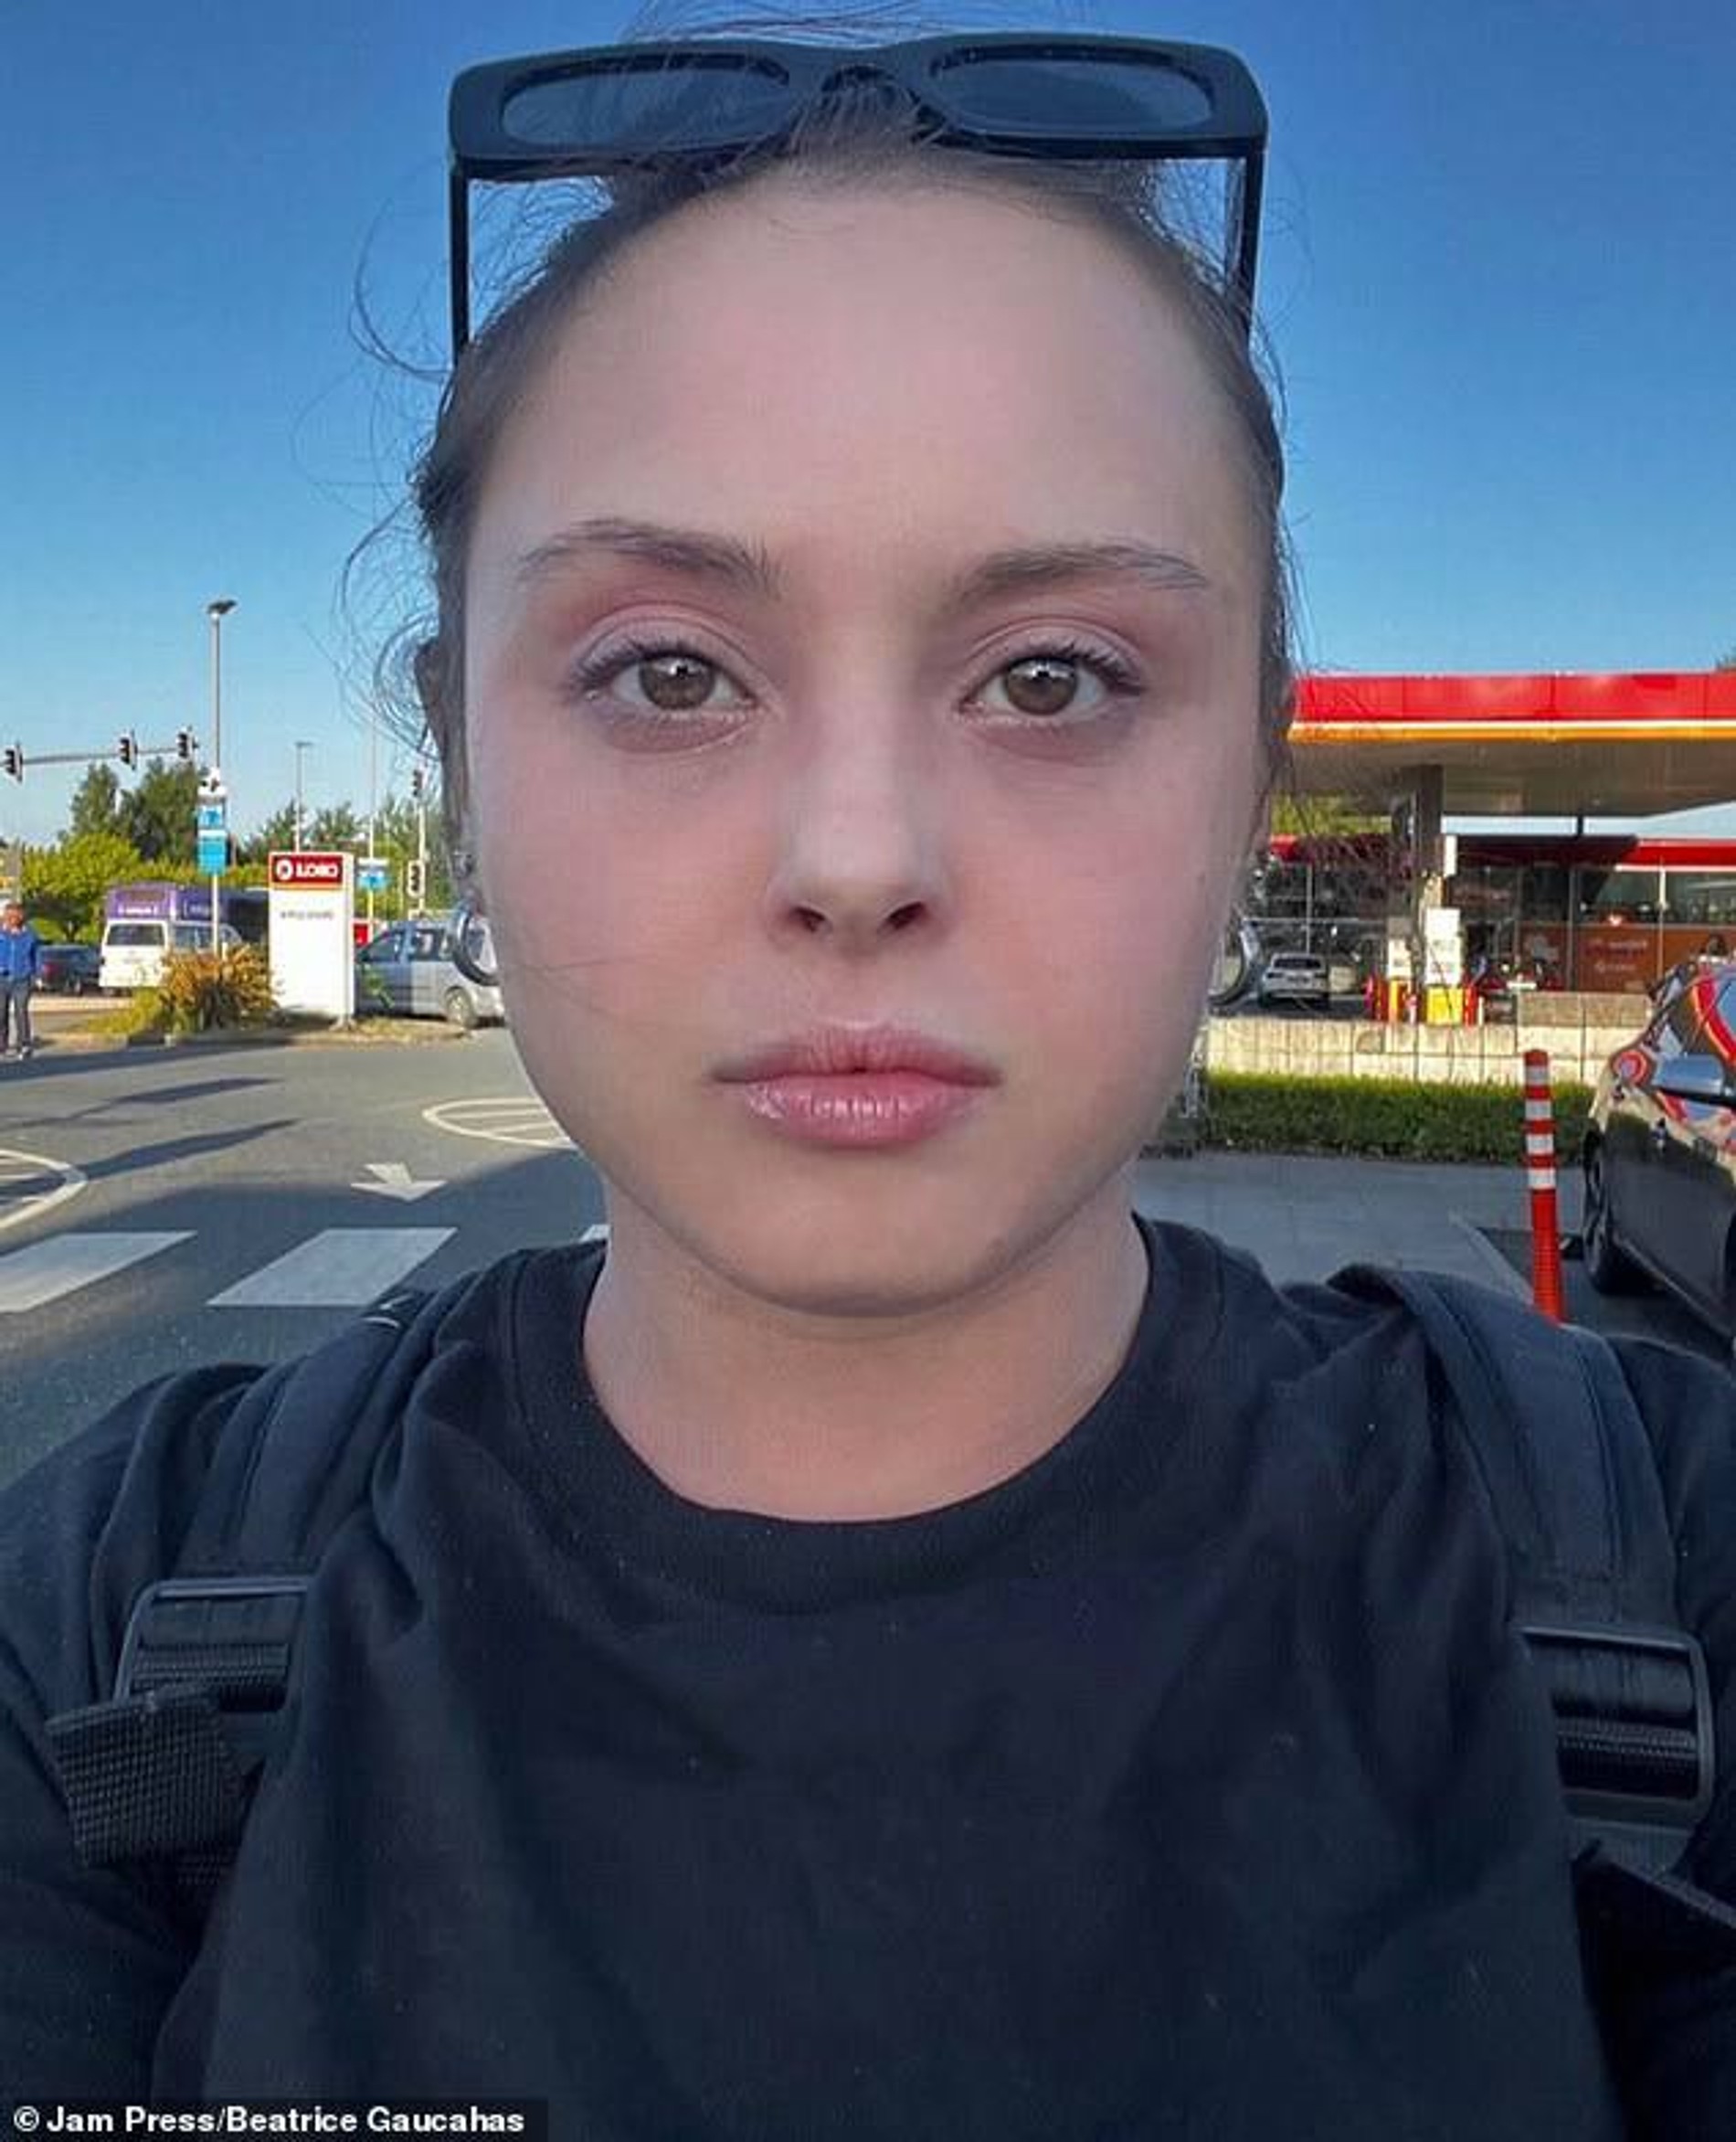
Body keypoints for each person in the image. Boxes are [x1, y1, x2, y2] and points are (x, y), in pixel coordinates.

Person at [3, 14, 1734, 2136]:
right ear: (459, 770)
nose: (854, 855)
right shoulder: (96, 1628)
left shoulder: (1659, 1560)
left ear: (1245, 780)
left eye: (1051, 676)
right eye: (667, 669)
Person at [0, 897, 40, 1059]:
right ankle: (2, 1046)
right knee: (1, 1013)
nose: (11, 920)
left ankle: (24, 1045)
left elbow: (36, 955)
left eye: (14, 917)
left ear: (21, 917)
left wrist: (37, 975)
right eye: (8, 917)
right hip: (2, 978)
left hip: (22, 979)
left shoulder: (30, 934)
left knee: (21, 1012)